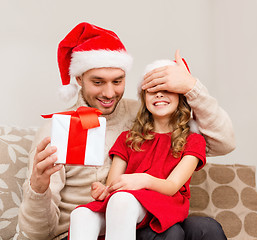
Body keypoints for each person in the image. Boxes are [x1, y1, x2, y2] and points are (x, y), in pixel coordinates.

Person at [18, 22, 233, 240]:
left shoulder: (143, 115)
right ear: (79, 78)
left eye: (117, 81)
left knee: (207, 228)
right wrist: (38, 189)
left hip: (144, 214)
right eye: (98, 82)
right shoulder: (57, 129)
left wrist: (191, 87)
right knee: (168, 232)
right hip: (87, 225)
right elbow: (34, 234)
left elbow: (223, 143)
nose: (109, 92)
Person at [69, 59, 207, 240]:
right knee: (80, 215)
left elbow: (172, 187)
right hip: (125, 203)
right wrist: (104, 190)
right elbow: (114, 185)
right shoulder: (128, 138)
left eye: (167, 90)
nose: (159, 95)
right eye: (152, 90)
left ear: (181, 97)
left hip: (163, 203)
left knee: (121, 200)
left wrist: (143, 180)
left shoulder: (193, 140)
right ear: (144, 97)